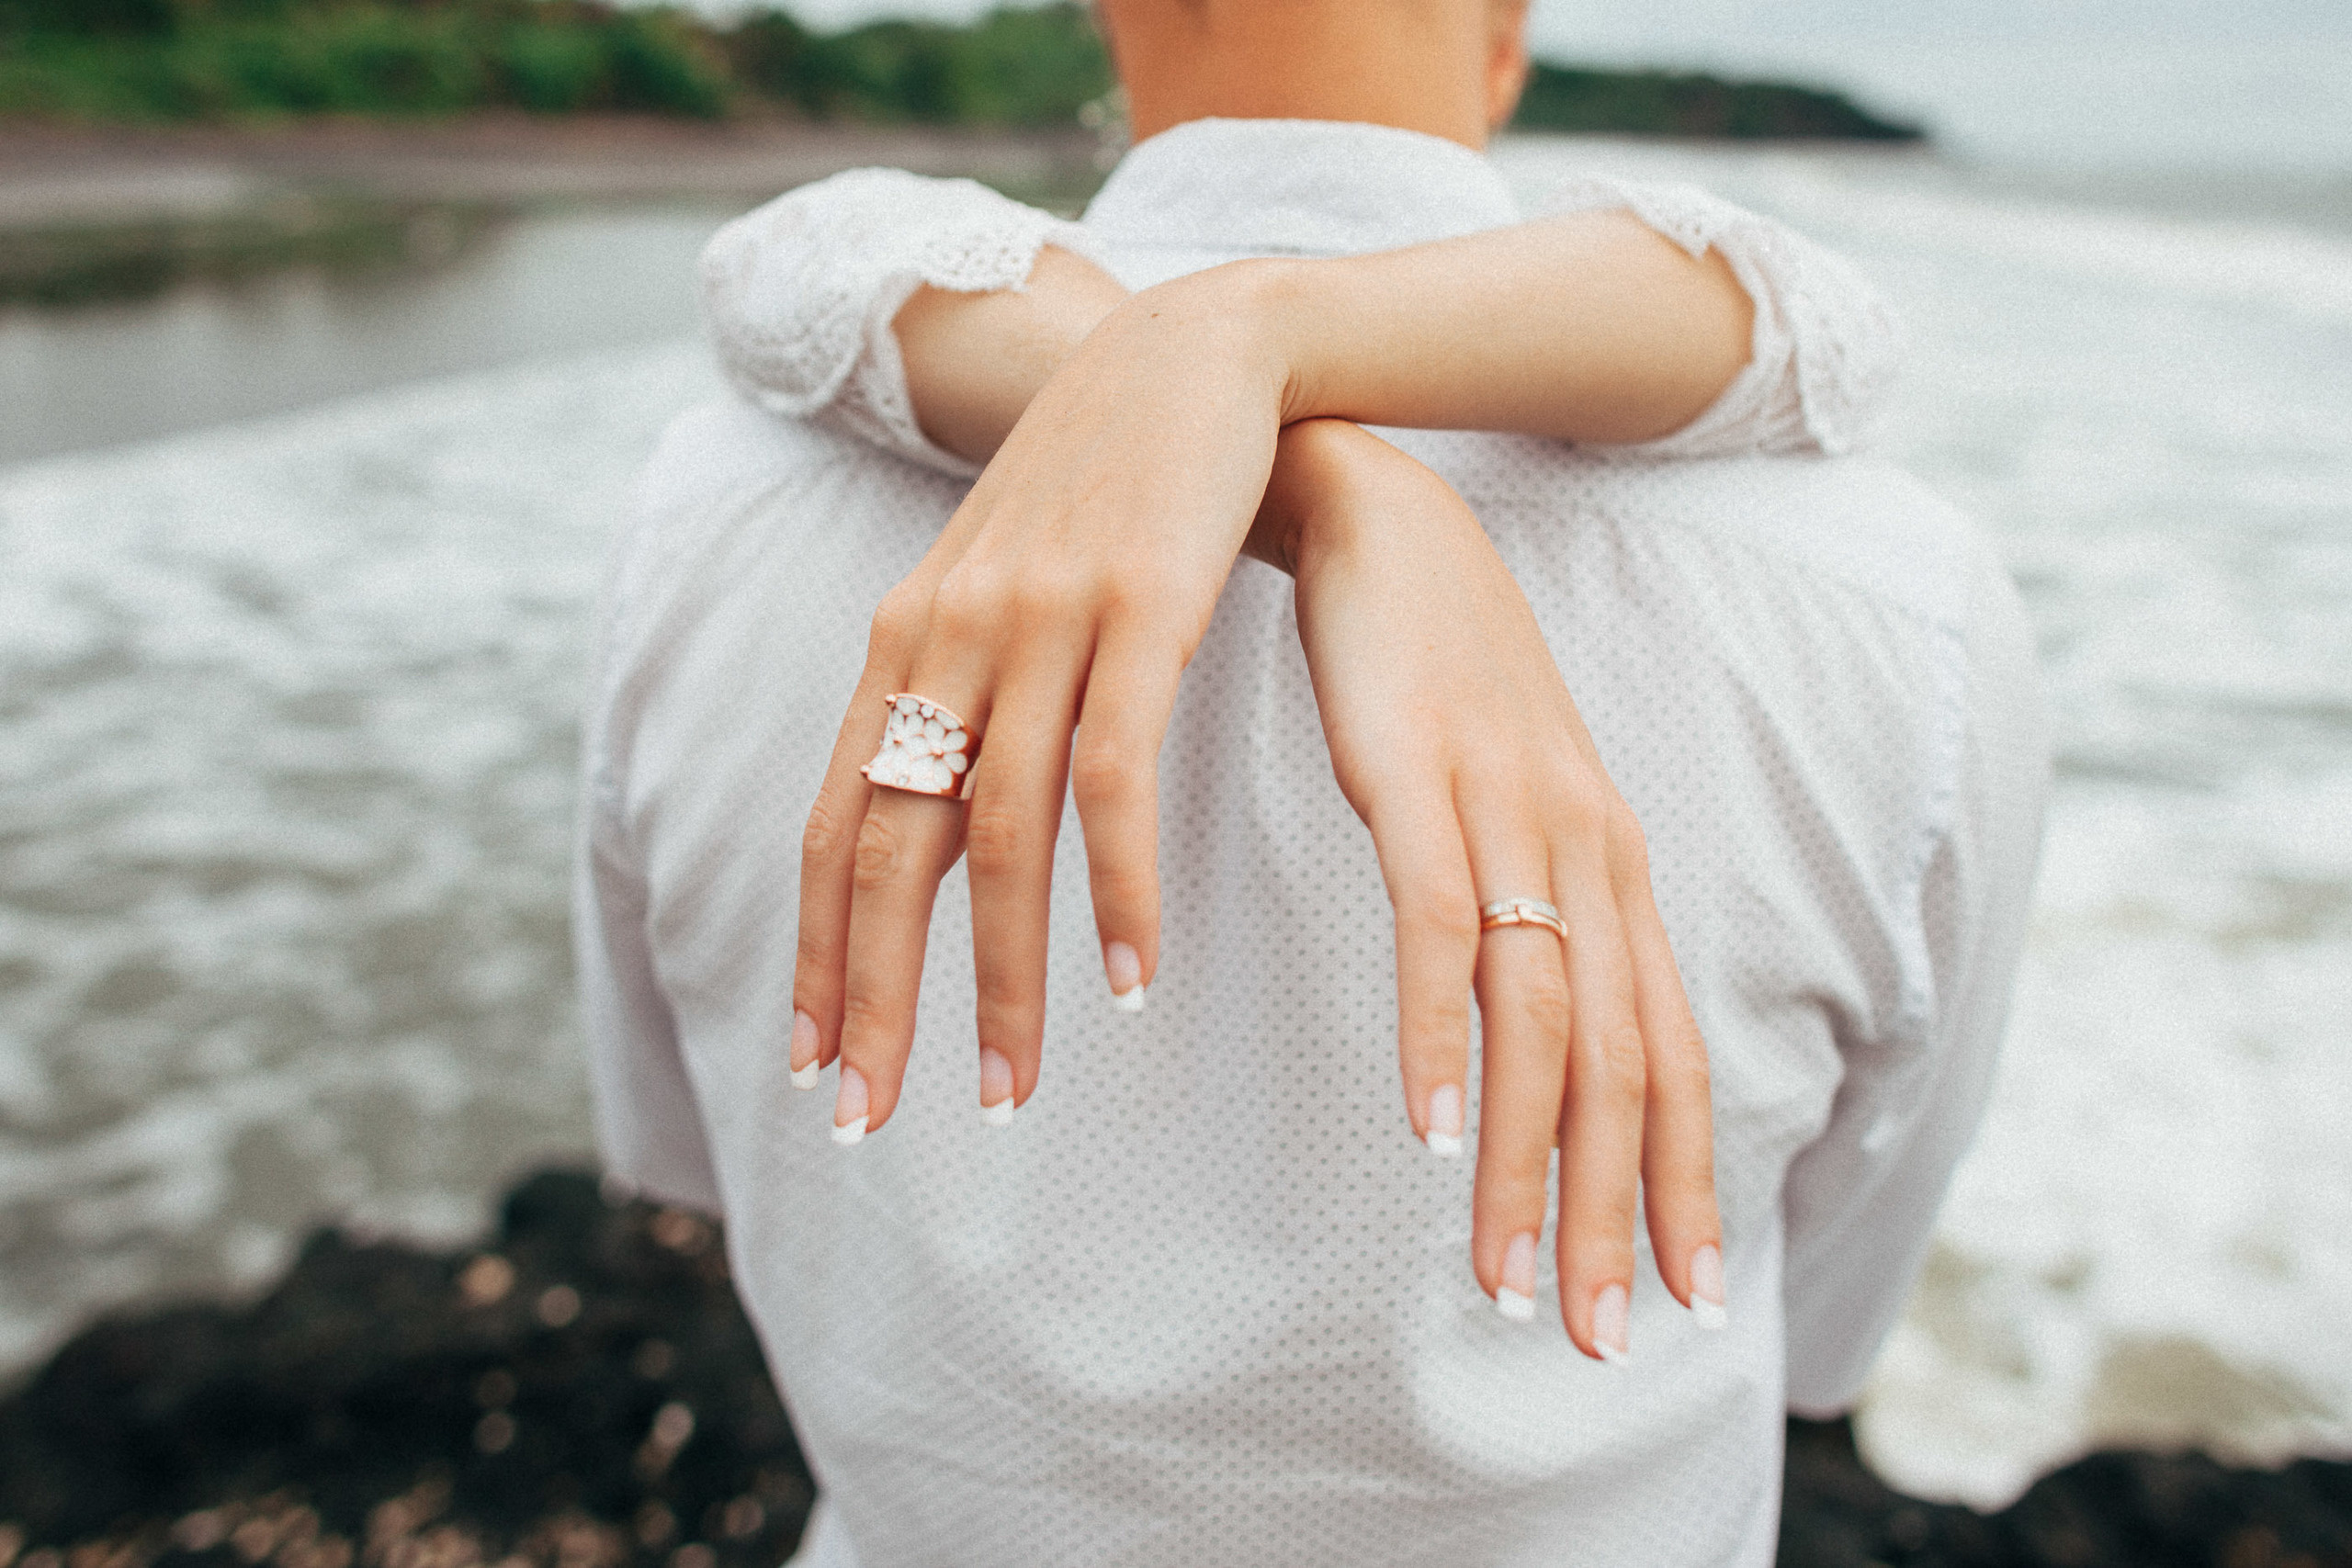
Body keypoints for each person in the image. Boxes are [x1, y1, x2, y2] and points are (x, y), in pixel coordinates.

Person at [574, 0, 2048, 1562]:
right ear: (1510, 32)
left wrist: (1240, 359)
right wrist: (1326, 470)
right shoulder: (1903, 594)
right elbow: (1826, 1313)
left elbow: (687, 1148)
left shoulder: (705, 507)